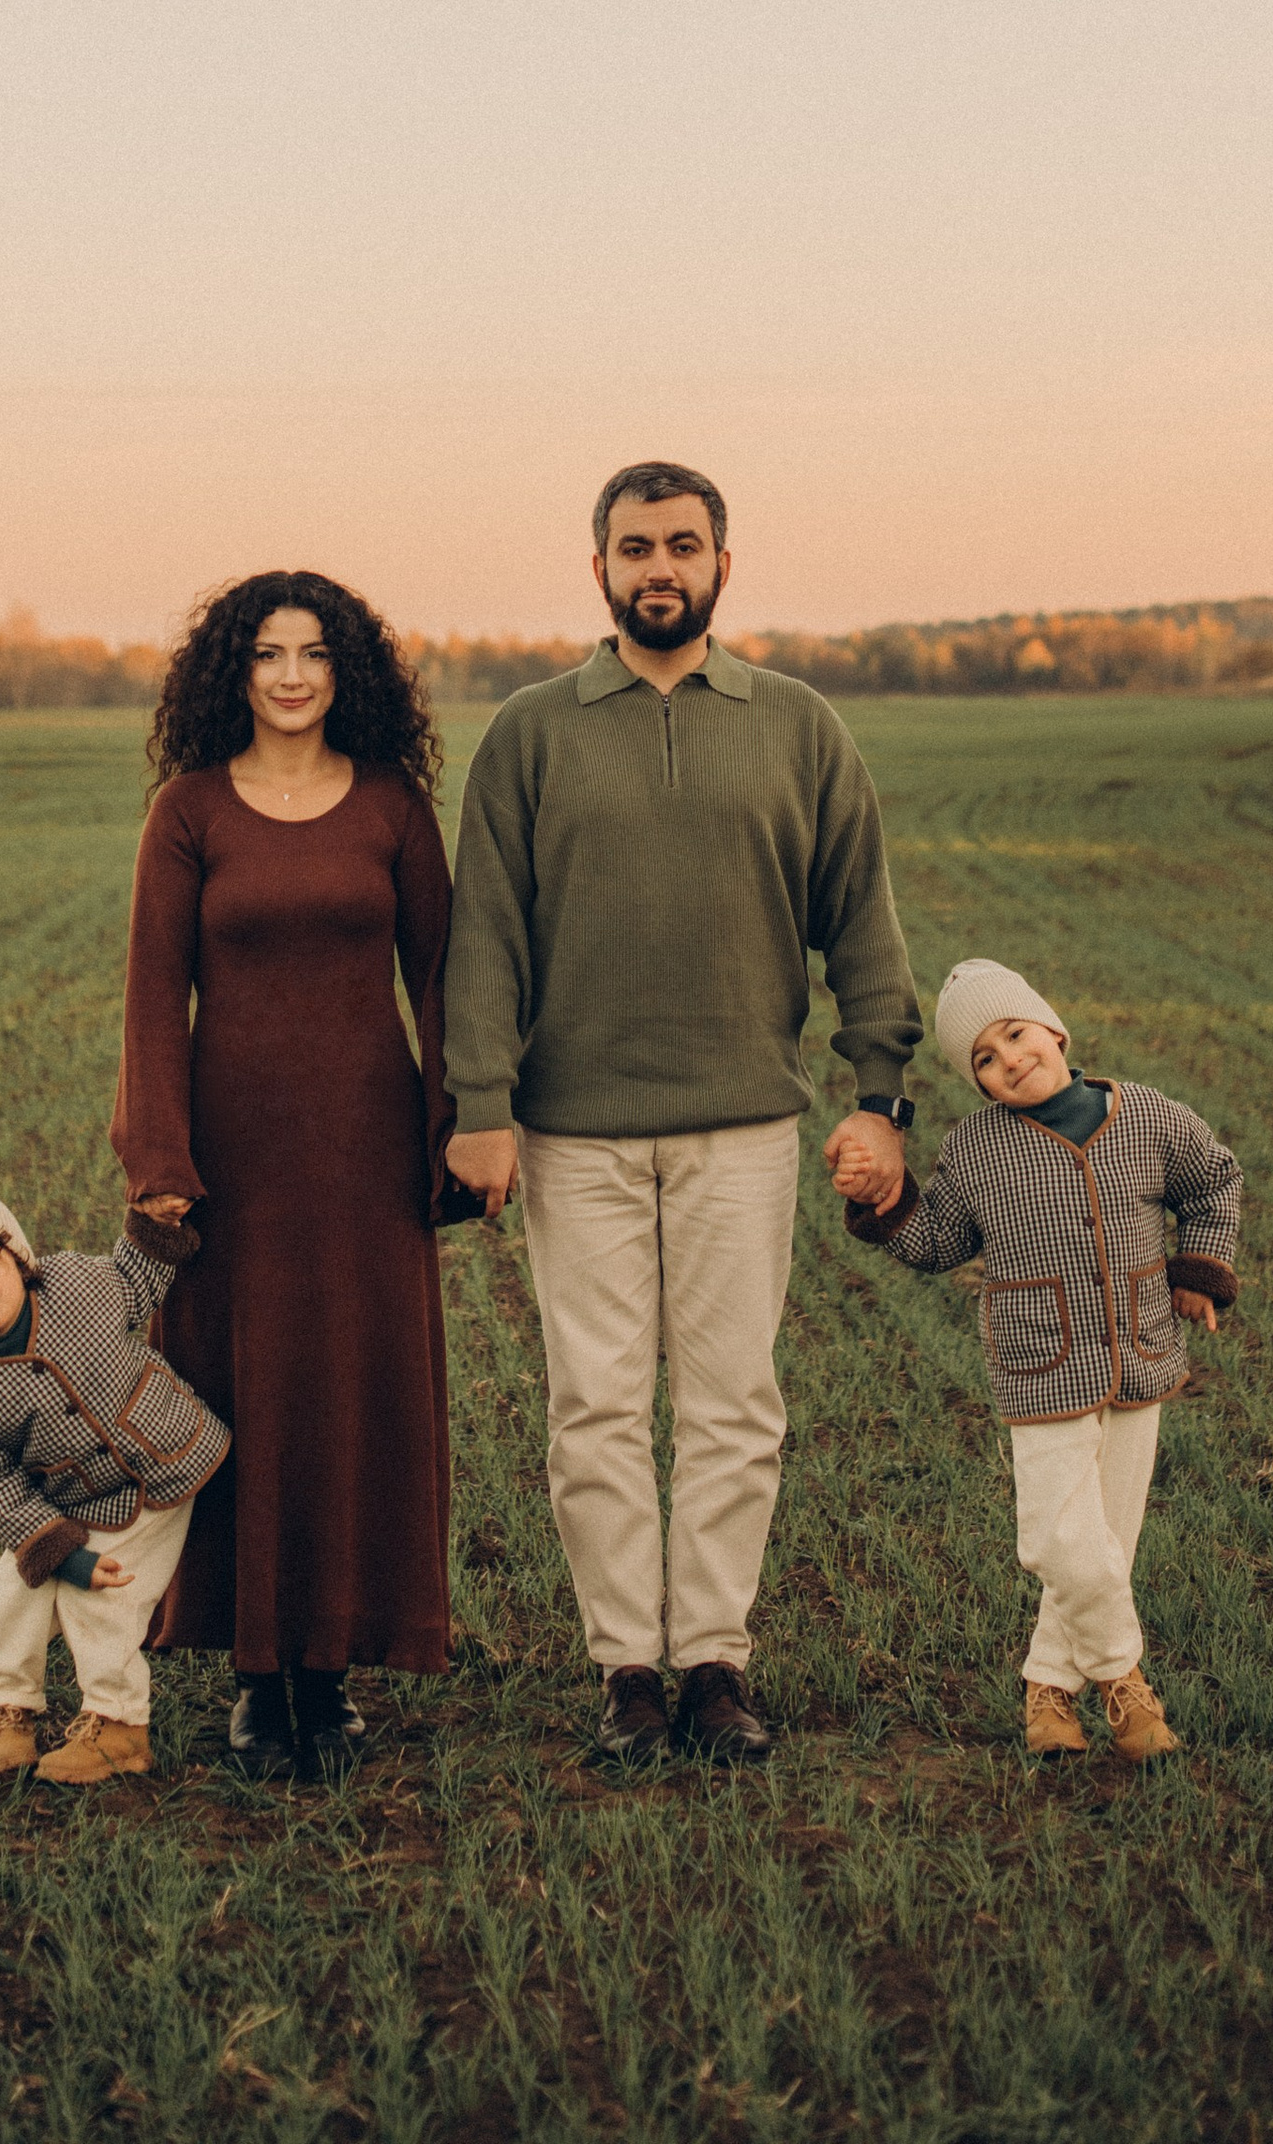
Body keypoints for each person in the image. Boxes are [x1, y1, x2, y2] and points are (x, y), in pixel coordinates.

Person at [442, 460, 924, 1765]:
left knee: (730, 1405)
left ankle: (714, 1664)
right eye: (636, 546)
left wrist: (881, 1097)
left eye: (684, 545)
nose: (661, 566)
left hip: (743, 1128)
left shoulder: (796, 725)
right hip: (572, 1130)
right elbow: (482, 937)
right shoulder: (533, 733)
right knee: (593, 1406)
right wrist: (477, 1103)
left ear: (724, 563)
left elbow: (862, 925)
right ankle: (627, 1677)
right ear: (596, 567)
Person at [112, 570, 459, 1780]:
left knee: (355, 1397)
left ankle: (334, 1672)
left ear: (346, 670)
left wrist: (457, 1132)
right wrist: (157, 1157)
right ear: (235, 673)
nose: (294, 675)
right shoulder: (189, 812)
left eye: (315, 653)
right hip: (234, 1159)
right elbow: (154, 997)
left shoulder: (393, 810)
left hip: (368, 1153)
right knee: (241, 1398)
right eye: (268, 654)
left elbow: (445, 983)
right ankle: (259, 1678)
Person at [831, 956, 1243, 1762]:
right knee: (1059, 1535)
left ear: (1054, 1030)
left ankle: (1049, 1691)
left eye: (1015, 1035)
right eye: (984, 1058)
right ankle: (1124, 1679)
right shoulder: (978, 1150)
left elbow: (1213, 1182)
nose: (1009, 1059)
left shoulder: (1151, 1116)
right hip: (1040, 1361)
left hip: (1140, 1352)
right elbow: (939, 1239)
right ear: (978, 1083)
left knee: (1107, 1538)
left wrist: (1199, 1271)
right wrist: (882, 1199)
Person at [0, 1167, 227, 1789]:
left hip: (167, 1461)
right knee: (18, 1584)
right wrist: (57, 1551)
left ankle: (119, 1726)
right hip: (73, 1497)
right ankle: (8, 1707)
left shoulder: (76, 1286)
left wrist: (155, 1222)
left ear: (17, 1258)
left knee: (103, 1594)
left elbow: (136, 1281)